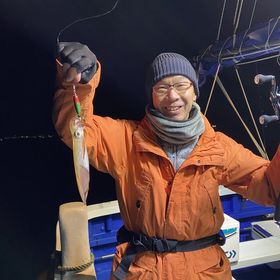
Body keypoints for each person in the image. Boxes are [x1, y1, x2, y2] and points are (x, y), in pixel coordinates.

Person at [53, 42, 280, 280]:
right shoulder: (126, 140)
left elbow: (268, 186)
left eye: (181, 85)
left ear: (194, 91)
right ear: (151, 95)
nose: (172, 96)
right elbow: (75, 130)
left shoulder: (219, 147)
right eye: (161, 88)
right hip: (143, 270)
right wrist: (77, 85)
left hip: (204, 271)